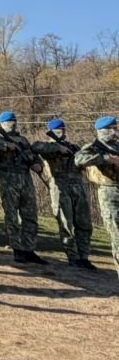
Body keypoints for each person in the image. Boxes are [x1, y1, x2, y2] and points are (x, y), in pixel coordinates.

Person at [0, 111, 48, 264]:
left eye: (13, 121)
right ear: (2, 123)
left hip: (25, 178)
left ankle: (29, 249)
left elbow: (32, 155)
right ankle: (17, 249)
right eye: (9, 121)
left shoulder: (22, 140)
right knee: (11, 215)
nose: (12, 124)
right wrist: (5, 145)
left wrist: (38, 165)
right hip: (7, 177)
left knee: (30, 214)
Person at [32, 119, 94, 267]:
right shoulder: (48, 147)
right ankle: (73, 257)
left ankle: (84, 256)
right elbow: (36, 147)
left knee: (84, 223)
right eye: (58, 130)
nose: (62, 132)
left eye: (63, 129)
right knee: (66, 224)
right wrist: (57, 147)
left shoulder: (73, 146)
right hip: (60, 187)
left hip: (78, 186)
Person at [74, 117, 119, 279]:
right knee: (117, 235)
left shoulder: (117, 146)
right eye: (112, 128)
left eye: (116, 128)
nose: (115, 131)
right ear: (103, 131)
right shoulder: (93, 147)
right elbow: (79, 159)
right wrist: (107, 158)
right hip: (109, 193)